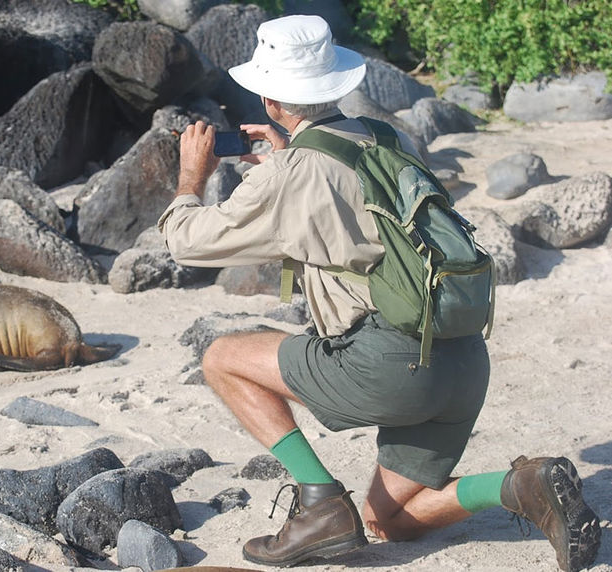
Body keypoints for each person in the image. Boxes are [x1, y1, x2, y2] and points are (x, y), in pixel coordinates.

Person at [157, 14, 601, 572]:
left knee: (221, 358)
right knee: (388, 522)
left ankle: (319, 502)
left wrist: (191, 175)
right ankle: (521, 486)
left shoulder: (294, 172)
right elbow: (348, 206)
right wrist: (282, 160)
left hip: (393, 367)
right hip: (461, 355)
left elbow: (187, 242)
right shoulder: (390, 138)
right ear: (335, 84)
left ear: (270, 99)